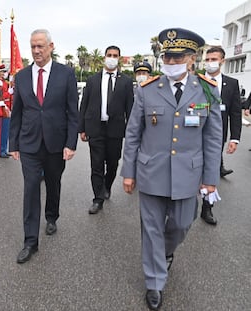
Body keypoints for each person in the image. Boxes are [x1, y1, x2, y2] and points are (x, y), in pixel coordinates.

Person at [120, 28, 222, 310]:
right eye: (167, 55)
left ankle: (164, 252)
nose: (170, 61)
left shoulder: (206, 89)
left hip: (189, 174)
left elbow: (213, 138)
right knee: (151, 229)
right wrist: (128, 173)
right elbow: (133, 134)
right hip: (151, 171)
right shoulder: (147, 89)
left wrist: (210, 179)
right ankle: (154, 282)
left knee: (181, 224)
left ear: (191, 59)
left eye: (177, 56)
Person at [9, 29, 79, 264]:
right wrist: (13, 143)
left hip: (56, 143)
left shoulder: (66, 74)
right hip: (29, 143)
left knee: (53, 182)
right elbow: (16, 112)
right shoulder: (21, 76)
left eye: (40, 46)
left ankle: (51, 216)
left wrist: (71, 143)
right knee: (30, 189)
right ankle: (30, 241)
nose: (36, 51)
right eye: (33, 47)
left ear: (51, 46)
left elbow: (72, 112)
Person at [78, 45, 134, 214]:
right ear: (104, 57)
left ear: (119, 58)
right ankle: (98, 198)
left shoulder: (125, 82)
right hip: (95, 128)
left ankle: (107, 186)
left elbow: (130, 108)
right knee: (96, 165)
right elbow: (84, 104)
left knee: (112, 163)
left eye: (115, 55)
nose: (111, 58)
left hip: (115, 130)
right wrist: (82, 128)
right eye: (109, 55)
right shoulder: (93, 80)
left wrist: (131, 131)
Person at [202, 46, 242, 225]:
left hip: (217, 135)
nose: (210, 63)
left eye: (214, 59)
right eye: (208, 59)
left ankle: (207, 207)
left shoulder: (231, 83)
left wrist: (235, 138)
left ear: (222, 61)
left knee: (211, 170)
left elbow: (235, 112)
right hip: (193, 132)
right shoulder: (196, 81)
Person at [0, 64, 13, 158]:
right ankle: (0, 151)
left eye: (5, 71)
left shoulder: (5, 83)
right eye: (3, 72)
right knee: (2, 131)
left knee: (6, 131)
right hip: (2, 109)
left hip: (7, 108)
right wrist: (8, 93)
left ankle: (4, 149)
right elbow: (0, 97)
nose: (4, 73)